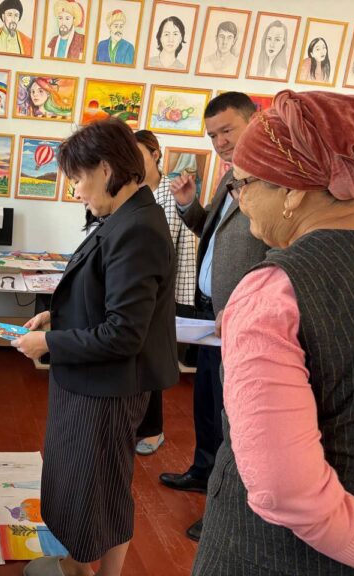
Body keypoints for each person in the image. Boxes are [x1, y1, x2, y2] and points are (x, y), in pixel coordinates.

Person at [194, 90, 354, 575]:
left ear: (293, 192)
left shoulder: (274, 292)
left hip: (277, 554)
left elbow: (285, 489)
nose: (241, 201)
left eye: (243, 185)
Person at [12, 118, 177, 576]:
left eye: (78, 179)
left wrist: (49, 342)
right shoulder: (124, 217)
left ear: (105, 169)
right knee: (92, 486)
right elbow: (106, 296)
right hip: (94, 381)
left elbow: (123, 332)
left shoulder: (137, 227)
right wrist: (55, 317)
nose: (76, 192)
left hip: (108, 388)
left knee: (94, 490)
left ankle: (86, 570)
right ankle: (82, 566)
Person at [160, 92, 270, 542]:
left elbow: (278, 251)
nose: (221, 142)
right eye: (213, 136)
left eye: (227, 130)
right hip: (210, 311)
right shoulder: (230, 176)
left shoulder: (272, 180)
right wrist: (190, 205)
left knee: (234, 416)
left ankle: (225, 506)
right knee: (206, 404)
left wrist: (248, 304)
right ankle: (204, 472)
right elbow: (215, 235)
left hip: (241, 316)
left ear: (254, 121)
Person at [133, 130, 197, 456]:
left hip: (162, 290)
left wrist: (181, 298)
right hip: (135, 287)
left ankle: (152, 429)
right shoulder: (131, 190)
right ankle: (136, 424)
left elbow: (180, 247)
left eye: (138, 153)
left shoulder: (172, 191)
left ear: (155, 154)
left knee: (151, 358)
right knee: (134, 356)